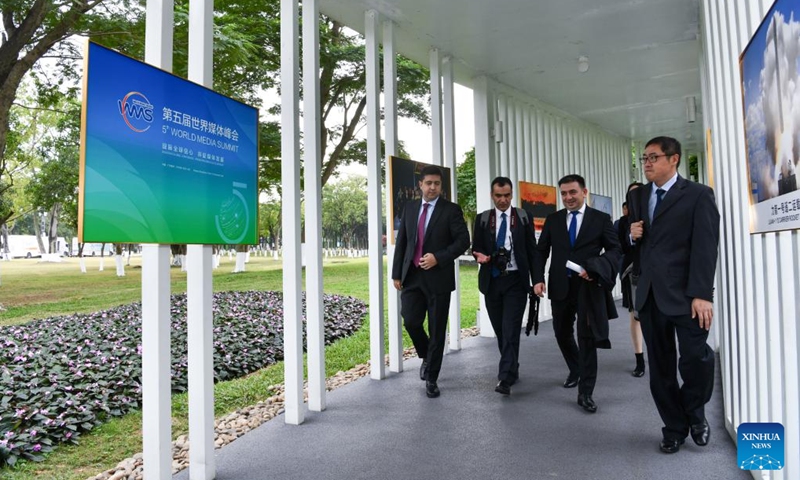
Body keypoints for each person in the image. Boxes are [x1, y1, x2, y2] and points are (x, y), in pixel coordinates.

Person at [628, 136, 720, 454]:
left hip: (687, 296)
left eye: (654, 157)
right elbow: (638, 243)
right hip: (651, 295)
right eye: (645, 158)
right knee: (661, 369)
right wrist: (632, 235)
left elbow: (706, 247)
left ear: (674, 159)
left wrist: (701, 294)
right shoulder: (639, 195)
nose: (648, 163)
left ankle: (695, 413)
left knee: (697, 359)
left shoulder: (697, 195)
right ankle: (674, 428)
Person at [533, 174, 621, 413]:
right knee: (561, 332)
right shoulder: (553, 219)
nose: (568, 198)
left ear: (584, 192)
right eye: (564, 193)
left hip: (588, 286)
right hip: (560, 286)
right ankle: (576, 367)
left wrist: (596, 267)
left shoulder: (601, 219)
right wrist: (538, 279)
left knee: (587, 337)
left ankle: (586, 392)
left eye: (572, 192)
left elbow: (615, 250)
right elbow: (541, 251)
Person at [392, 165, 470, 398]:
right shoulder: (410, 208)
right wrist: (397, 273)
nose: (432, 187)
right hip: (413, 276)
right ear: (421, 184)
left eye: (437, 183)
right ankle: (427, 354)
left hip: (438, 278)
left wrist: (440, 257)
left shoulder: (451, 210)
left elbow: (463, 240)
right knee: (411, 321)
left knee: (437, 330)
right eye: (428, 183)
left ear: (441, 186)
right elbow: (403, 242)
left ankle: (432, 378)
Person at [471, 177, 538, 396]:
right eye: (499, 196)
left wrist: (537, 279)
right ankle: (512, 367)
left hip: (516, 281)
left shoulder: (523, 217)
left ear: (512, 195)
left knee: (510, 330)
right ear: (492, 195)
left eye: (507, 195)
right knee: (501, 331)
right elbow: (476, 248)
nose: (503, 200)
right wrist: (479, 256)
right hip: (492, 280)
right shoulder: (482, 219)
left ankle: (505, 378)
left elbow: (532, 250)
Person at [618, 183, 646, 377]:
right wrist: (630, 236)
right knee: (635, 316)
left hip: (657, 274)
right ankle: (639, 359)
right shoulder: (621, 223)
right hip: (632, 273)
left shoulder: (655, 216)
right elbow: (618, 247)